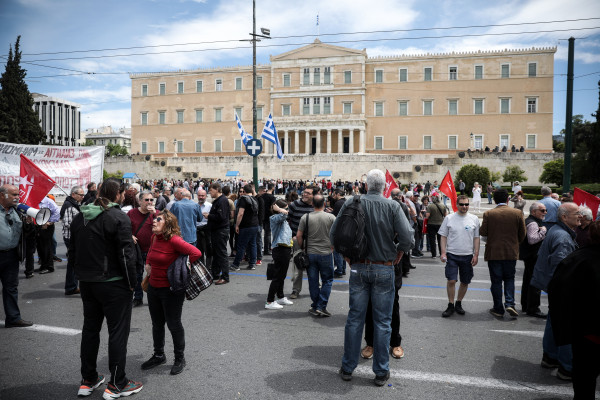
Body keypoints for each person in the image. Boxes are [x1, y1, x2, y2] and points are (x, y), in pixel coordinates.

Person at [335, 169, 413, 387]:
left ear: (366, 185)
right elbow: (407, 237)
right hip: (384, 267)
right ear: (384, 187)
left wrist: (347, 256)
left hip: (359, 267)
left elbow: (334, 234)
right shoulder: (392, 206)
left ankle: (348, 367)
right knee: (383, 321)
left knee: (354, 319)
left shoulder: (352, 203)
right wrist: (399, 252)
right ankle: (380, 371)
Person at [68, 178, 143, 398]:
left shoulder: (81, 216)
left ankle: (88, 378)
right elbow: (125, 255)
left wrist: (80, 276)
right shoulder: (118, 217)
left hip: (89, 283)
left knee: (91, 330)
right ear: (118, 194)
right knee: (117, 332)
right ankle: (117, 382)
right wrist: (132, 283)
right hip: (113, 283)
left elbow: (72, 252)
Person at [141, 210, 201, 376]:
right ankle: (159, 355)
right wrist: (148, 265)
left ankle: (179, 358)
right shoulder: (154, 238)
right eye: (154, 220)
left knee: (173, 324)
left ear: (167, 224)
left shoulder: (174, 240)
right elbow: (150, 254)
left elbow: (196, 253)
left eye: (158, 220)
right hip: (153, 288)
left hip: (171, 290)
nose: (154, 222)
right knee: (157, 324)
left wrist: (180, 266)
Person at [547, 221, 600, 398]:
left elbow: (558, 294)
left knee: (585, 384)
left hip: (587, 334)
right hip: (588, 334)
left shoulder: (577, 259)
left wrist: (565, 330)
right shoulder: (578, 259)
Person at [530, 202, 581, 381]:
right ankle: (567, 367)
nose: (580, 216)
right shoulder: (563, 237)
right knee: (566, 326)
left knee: (554, 321)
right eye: (577, 213)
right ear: (564, 217)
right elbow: (562, 267)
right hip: (561, 288)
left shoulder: (557, 231)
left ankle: (550, 357)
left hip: (554, 286)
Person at [362, 187, 412, 361]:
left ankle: (395, 342)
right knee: (370, 304)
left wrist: (400, 251)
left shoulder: (397, 207)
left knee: (392, 304)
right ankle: (371, 343)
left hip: (390, 262)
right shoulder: (361, 205)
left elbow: (407, 235)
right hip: (369, 262)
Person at [480, 188, 526, 318]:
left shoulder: (489, 214)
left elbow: (483, 232)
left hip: (494, 252)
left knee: (496, 281)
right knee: (509, 278)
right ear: (507, 199)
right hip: (511, 252)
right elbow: (523, 235)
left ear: (494, 199)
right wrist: (514, 243)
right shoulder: (517, 213)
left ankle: (498, 308)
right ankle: (510, 303)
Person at [439, 195, 480, 317]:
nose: (464, 207)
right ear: (456, 205)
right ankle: (450, 304)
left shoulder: (474, 219)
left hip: (467, 255)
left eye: (466, 204)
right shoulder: (449, 218)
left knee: (465, 281)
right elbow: (443, 236)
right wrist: (443, 252)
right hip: (452, 254)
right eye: (461, 204)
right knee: (451, 280)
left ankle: (459, 303)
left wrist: (476, 254)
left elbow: (476, 238)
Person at [297, 194, 336, 317]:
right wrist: (333, 246)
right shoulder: (331, 217)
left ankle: (316, 305)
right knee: (327, 280)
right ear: (325, 204)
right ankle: (321, 305)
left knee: (313, 281)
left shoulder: (306, 217)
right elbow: (336, 234)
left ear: (312, 204)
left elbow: (299, 235)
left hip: (311, 253)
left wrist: (302, 246)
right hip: (326, 252)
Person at [0, 184, 33, 328]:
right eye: (13, 195)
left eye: (17, 195)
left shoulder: (18, 211)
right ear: (2, 195)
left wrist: (28, 224)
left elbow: (27, 235)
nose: (17, 198)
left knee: (11, 287)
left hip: (12, 255)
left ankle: (13, 318)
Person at [128, 190, 158, 307]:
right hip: (137, 250)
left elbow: (163, 228)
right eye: (147, 200)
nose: (149, 202)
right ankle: (138, 297)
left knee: (153, 275)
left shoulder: (157, 213)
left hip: (152, 250)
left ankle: (153, 298)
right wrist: (130, 235)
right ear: (140, 201)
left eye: (151, 200)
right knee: (137, 275)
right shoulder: (132, 213)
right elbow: (124, 228)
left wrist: (155, 213)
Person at [519, 202, 547, 318]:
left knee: (528, 280)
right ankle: (533, 308)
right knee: (534, 282)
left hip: (530, 256)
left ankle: (526, 305)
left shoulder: (531, 221)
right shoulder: (533, 223)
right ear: (533, 211)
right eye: (542, 210)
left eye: (545, 210)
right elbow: (532, 239)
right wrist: (544, 231)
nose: (545, 212)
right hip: (533, 257)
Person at [265, 199, 294, 310]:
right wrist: (279, 209)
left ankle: (280, 296)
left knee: (282, 275)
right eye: (285, 207)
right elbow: (284, 215)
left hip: (285, 249)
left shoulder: (283, 219)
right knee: (277, 277)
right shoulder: (274, 218)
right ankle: (269, 301)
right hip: (280, 249)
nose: (287, 210)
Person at [287, 186, 315, 299]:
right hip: (297, 240)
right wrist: (292, 236)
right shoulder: (294, 205)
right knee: (298, 265)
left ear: (314, 195)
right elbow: (287, 220)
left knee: (313, 266)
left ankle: (315, 288)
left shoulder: (317, 205)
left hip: (312, 241)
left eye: (308, 193)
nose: (304, 194)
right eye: (304, 192)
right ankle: (295, 290)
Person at [60, 185, 84, 295]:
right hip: (71, 238)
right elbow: (68, 223)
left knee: (73, 263)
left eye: (83, 195)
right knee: (73, 263)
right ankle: (71, 287)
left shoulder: (74, 204)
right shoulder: (69, 205)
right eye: (81, 195)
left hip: (73, 237)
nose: (82, 197)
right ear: (73, 194)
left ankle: (72, 286)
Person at [229, 184, 259, 272]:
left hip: (246, 225)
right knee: (253, 244)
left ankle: (236, 264)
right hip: (254, 224)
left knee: (241, 245)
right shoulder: (255, 199)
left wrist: (237, 225)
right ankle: (252, 263)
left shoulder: (243, 199)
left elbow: (240, 213)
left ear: (245, 191)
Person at [206, 183, 231, 285]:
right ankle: (215, 274)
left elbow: (221, 217)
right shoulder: (219, 201)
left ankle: (225, 276)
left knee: (221, 253)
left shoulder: (222, 200)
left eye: (211, 190)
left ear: (217, 190)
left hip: (220, 231)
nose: (209, 193)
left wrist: (209, 216)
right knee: (217, 253)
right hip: (217, 231)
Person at [36, 194, 60, 274]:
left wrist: (50, 222)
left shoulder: (48, 201)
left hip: (46, 226)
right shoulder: (34, 200)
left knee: (46, 246)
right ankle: (43, 265)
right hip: (38, 225)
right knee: (40, 247)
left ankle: (49, 267)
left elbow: (57, 211)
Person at [425, 194, 447, 258]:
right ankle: (441, 253)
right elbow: (446, 215)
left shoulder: (430, 206)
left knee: (432, 240)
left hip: (431, 224)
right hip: (440, 224)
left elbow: (427, 216)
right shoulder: (443, 206)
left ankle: (433, 254)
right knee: (440, 240)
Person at [195, 188, 212, 268]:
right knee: (199, 251)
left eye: (202, 195)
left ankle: (209, 267)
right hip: (197, 230)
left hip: (206, 230)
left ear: (206, 196)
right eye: (199, 195)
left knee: (208, 250)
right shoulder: (195, 206)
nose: (201, 197)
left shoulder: (210, 206)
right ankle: (201, 268)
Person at [262, 184, 276, 255]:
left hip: (262, 216)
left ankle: (267, 247)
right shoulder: (272, 197)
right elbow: (272, 207)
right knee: (268, 234)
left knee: (266, 233)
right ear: (273, 188)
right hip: (269, 216)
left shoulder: (262, 196)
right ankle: (267, 250)